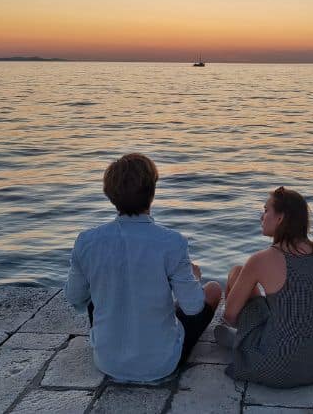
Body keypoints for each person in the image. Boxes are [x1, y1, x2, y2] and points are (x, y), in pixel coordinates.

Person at [64, 153, 222, 383]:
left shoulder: (86, 241)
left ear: (110, 195)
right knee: (214, 290)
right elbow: (193, 307)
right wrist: (193, 278)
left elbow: (75, 297)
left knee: (95, 290)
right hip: (161, 363)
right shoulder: (172, 242)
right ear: (152, 191)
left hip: (107, 361)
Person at [216, 186, 313, 388]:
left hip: (278, 367)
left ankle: (241, 340)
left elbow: (230, 315)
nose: (261, 216)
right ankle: (248, 335)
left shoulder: (261, 260)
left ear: (281, 218)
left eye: (266, 211)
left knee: (237, 273)